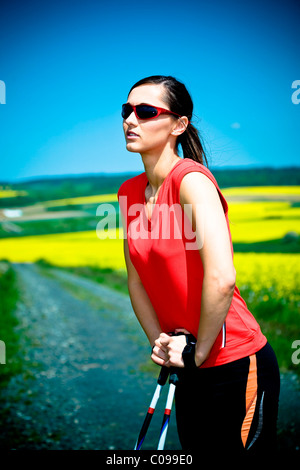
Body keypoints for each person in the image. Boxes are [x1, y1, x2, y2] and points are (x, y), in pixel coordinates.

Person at [117, 75, 280, 456]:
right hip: (187, 358)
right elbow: (136, 280)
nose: (130, 120)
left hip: (233, 359)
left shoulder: (191, 181)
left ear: (178, 124)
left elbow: (222, 278)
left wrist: (199, 351)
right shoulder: (128, 192)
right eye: (127, 110)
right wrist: (159, 341)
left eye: (145, 111)